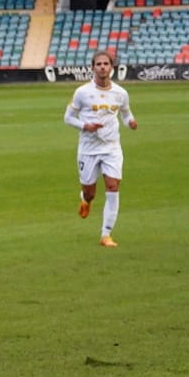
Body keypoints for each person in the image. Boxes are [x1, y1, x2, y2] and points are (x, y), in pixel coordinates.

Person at [65, 50, 137, 248]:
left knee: (113, 186)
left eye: (106, 63)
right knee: (90, 191)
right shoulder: (82, 92)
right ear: (93, 67)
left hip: (112, 147)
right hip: (88, 149)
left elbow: (125, 113)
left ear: (111, 67)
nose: (102, 67)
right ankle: (85, 199)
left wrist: (130, 122)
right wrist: (84, 126)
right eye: (99, 64)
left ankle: (106, 234)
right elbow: (68, 117)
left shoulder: (121, 93)